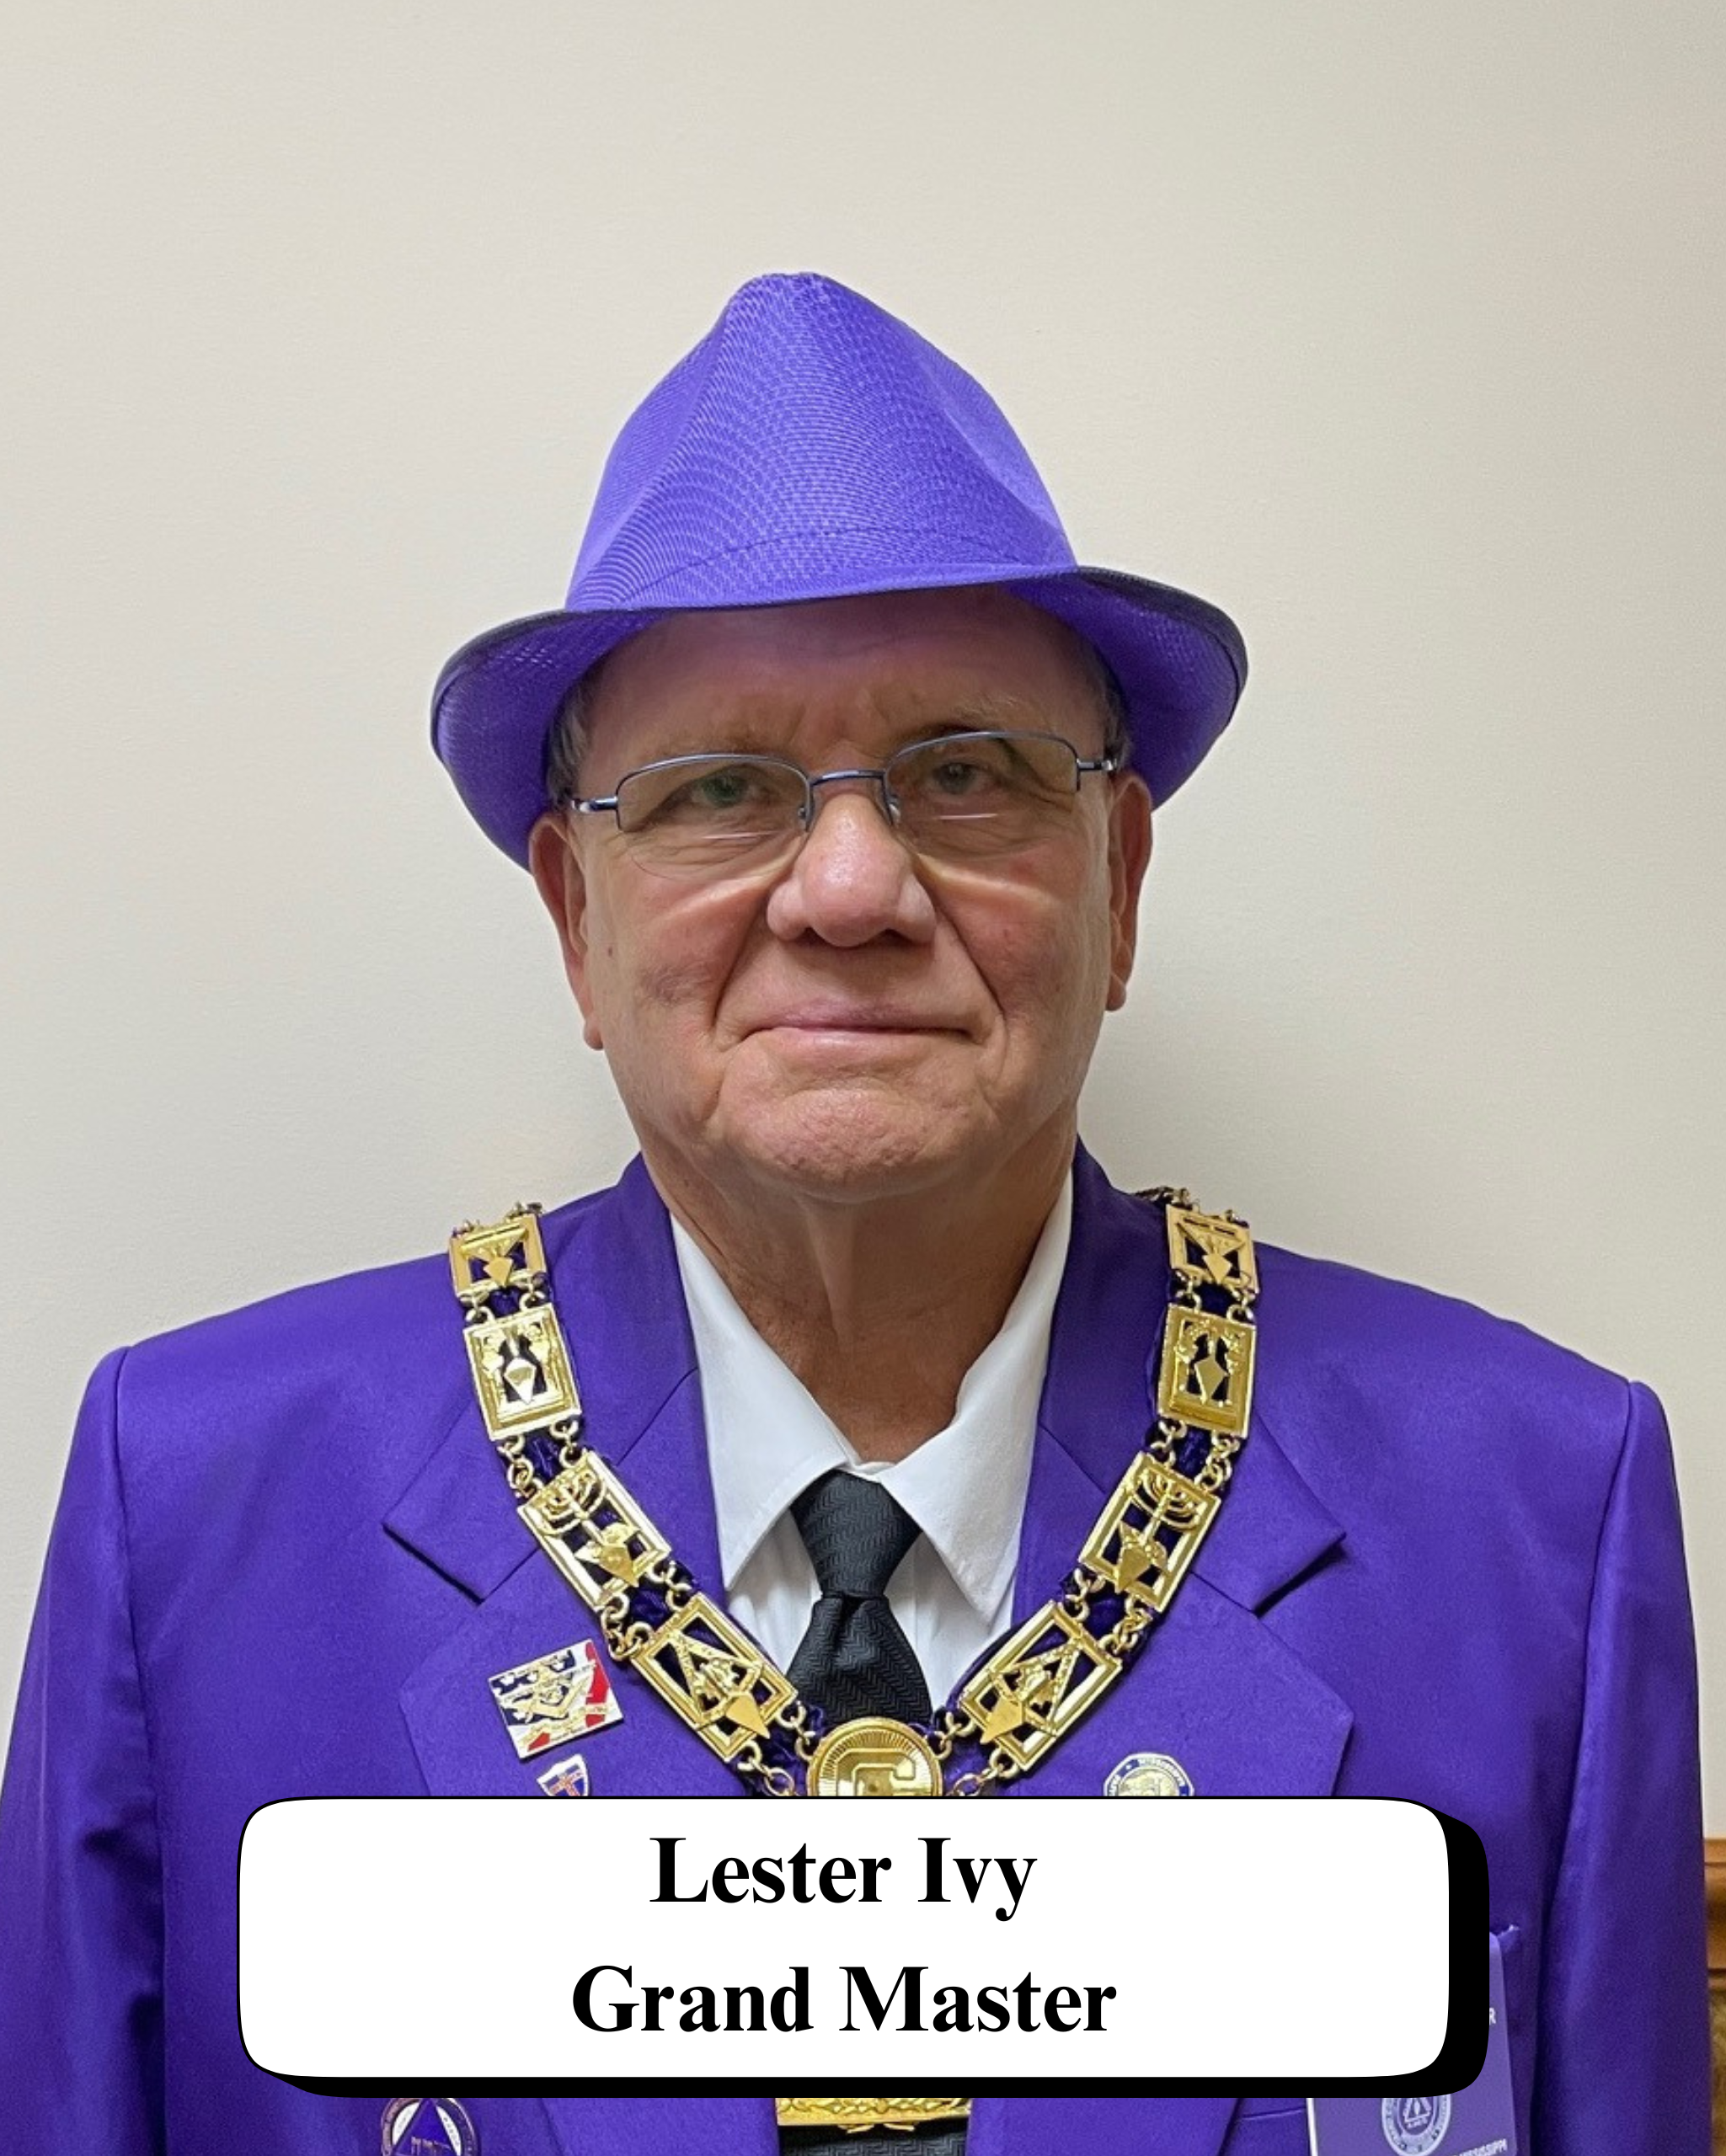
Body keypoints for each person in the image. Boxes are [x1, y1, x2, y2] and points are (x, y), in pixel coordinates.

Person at [0, 271, 1709, 2155]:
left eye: (965, 773)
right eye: (718, 789)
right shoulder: (200, 1508)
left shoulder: (1536, 1514)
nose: (846, 887)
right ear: (574, 917)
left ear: (1118, 884)